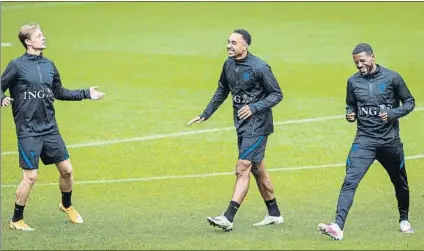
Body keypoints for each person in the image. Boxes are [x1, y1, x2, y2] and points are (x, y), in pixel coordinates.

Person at [1, 23, 105, 231]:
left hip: (50, 128)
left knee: (67, 170)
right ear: (28, 41)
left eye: (42, 35)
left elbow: (60, 92)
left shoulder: (49, 66)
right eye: (38, 36)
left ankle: (66, 205)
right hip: (28, 130)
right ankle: (16, 219)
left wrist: (86, 93)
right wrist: (2, 97)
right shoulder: (16, 66)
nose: (43, 38)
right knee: (31, 177)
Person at [187, 29, 284, 232]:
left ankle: (228, 217)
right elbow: (223, 89)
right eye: (228, 42)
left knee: (242, 168)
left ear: (245, 46)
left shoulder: (260, 67)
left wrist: (255, 107)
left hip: (258, 126)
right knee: (258, 170)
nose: (229, 46)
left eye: (233, 42)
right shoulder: (228, 64)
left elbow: (277, 94)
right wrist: (206, 114)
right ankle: (274, 214)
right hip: (241, 125)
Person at [318, 43, 415, 240]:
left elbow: (410, 102)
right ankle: (338, 226)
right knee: (350, 181)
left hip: (390, 143)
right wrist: (349, 113)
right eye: (356, 62)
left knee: (400, 183)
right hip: (364, 141)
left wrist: (392, 114)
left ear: (372, 57)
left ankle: (404, 218)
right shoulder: (353, 82)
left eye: (362, 61)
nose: (359, 65)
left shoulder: (392, 78)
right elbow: (350, 104)